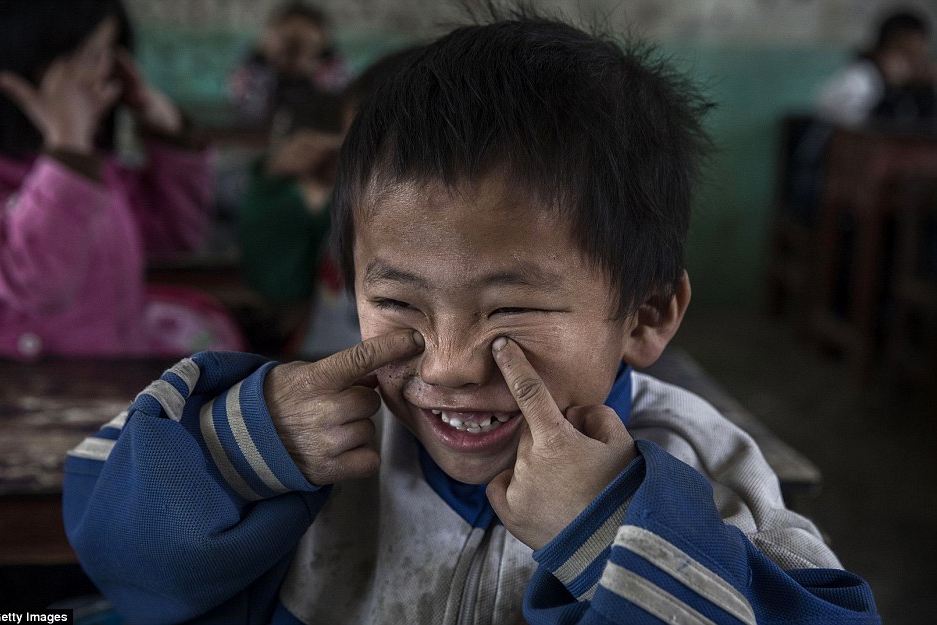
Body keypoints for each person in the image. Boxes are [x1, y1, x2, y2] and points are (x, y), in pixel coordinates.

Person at [63, 7, 881, 624]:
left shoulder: (705, 471)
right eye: (394, 302)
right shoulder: (301, 443)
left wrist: (613, 532)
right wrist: (241, 455)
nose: (446, 364)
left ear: (648, 313)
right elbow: (116, 552)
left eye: (514, 306)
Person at [0, 0, 246, 359]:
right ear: (20, 62)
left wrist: (168, 133)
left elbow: (175, 234)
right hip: (17, 396)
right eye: (88, 57)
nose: (105, 73)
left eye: (110, 54)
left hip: (103, 377)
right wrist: (68, 149)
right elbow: (37, 281)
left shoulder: (93, 170)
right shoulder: (47, 172)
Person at [236, 48, 418, 358]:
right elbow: (278, 284)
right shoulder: (339, 213)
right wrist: (273, 183)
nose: (351, 162)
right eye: (349, 145)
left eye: (366, 148)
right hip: (324, 372)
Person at [228, 2, 348, 131]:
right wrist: (268, 67)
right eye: (286, 39)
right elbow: (248, 113)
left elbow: (336, 110)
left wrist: (311, 73)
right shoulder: (252, 66)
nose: (293, 48)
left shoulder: (332, 67)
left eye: (303, 41)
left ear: (322, 40)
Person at [817, 8, 937, 126]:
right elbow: (838, 116)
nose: (910, 64)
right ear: (881, 51)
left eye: (916, 55)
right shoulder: (860, 78)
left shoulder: (919, 83)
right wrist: (887, 88)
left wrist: (927, 90)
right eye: (904, 54)